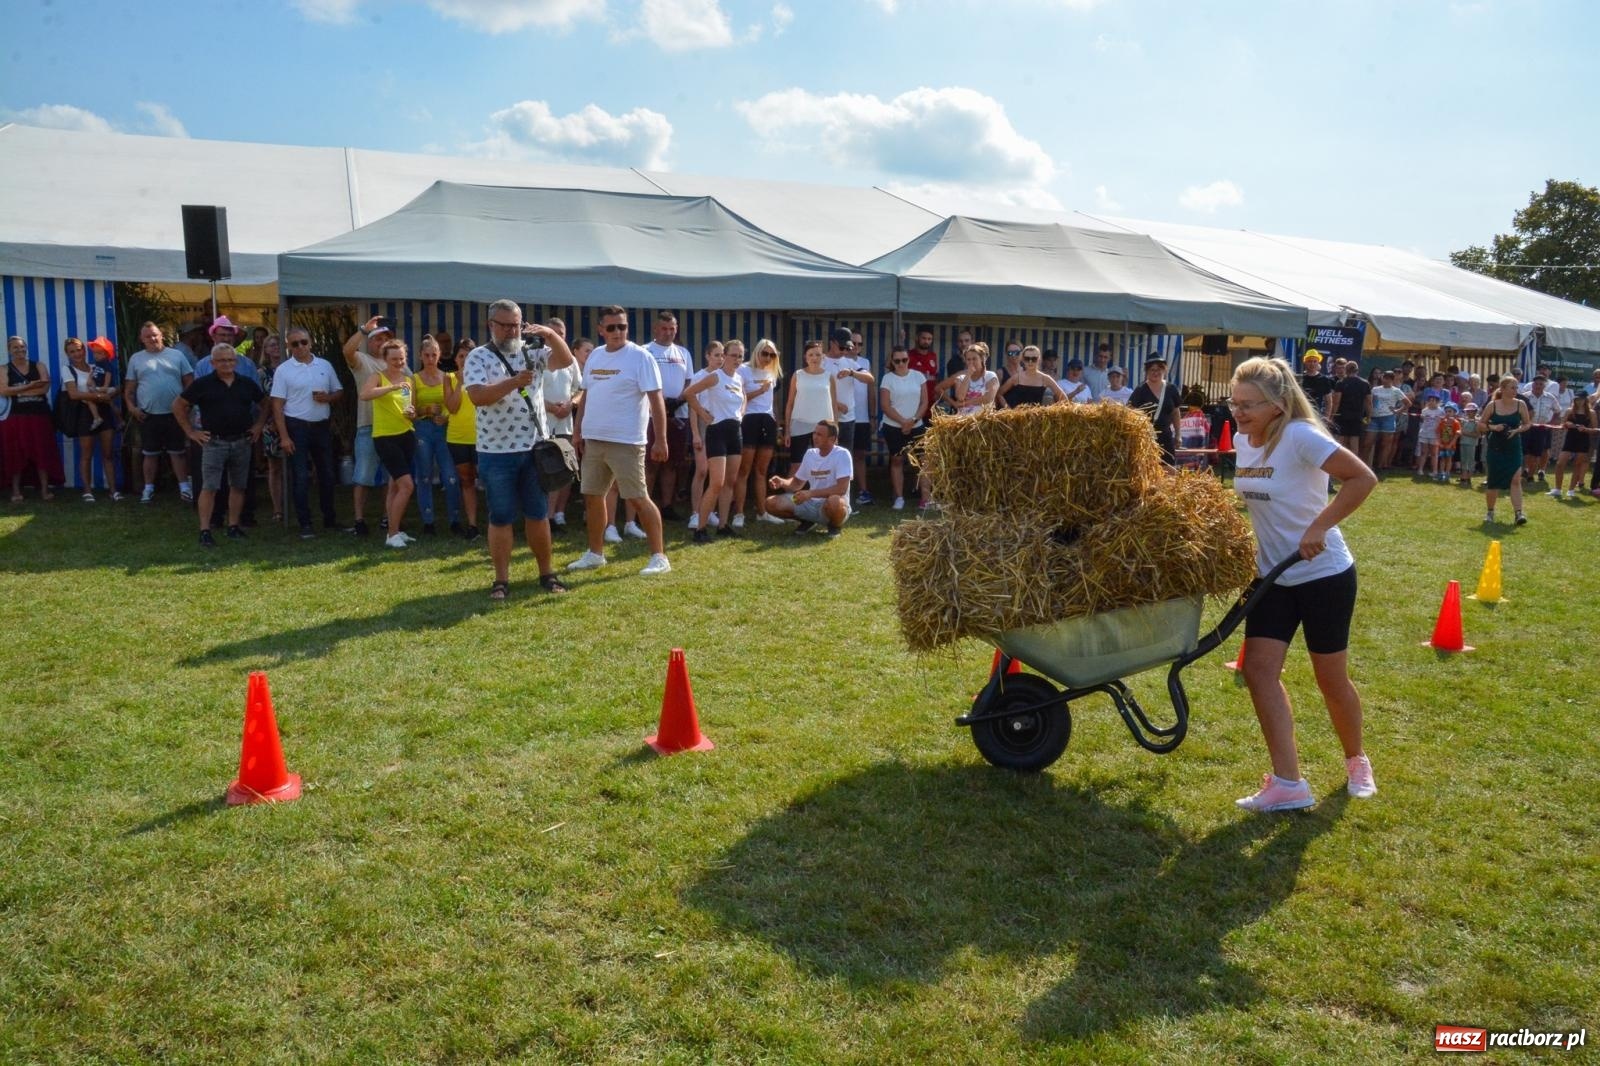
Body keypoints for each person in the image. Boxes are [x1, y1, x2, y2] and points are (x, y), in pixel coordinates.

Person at [1226, 357, 1377, 812]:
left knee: (1330, 678)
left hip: (1323, 575)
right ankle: (1289, 784)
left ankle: (1356, 760)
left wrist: (1320, 526)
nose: (1239, 412)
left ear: (1277, 405)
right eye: (1234, 403)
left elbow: (1362, 478)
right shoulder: (1241, 439)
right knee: (1258, 671)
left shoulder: (1300, 437)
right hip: (1273, 574)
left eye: (1249, 404)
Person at [464, 299, 579, 595]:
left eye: (516, 325)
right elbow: (477, 397)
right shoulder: (478, 357)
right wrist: (514, 382)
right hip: (495, 451)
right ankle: (501, 580)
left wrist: (551, 335)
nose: (511, 331)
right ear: (491, 325)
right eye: (504, 325)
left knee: (538, 514)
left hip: (533, 450)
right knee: (500, 516)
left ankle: (547, 574)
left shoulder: (533, 352)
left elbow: (566, 361)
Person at [567, 305, 671, 577]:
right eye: (611, 327)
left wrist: (661, 439)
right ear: (601, 329)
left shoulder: (640, 357)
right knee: (592, 496)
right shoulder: (596, 356)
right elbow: (586, 395)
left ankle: (659, 557)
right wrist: (578, 431)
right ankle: (595, 554)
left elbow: (656, 400)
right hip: (594, 439)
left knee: (638, 498)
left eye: (622, 326)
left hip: (627, 440)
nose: (617, 332)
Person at [173, 343, 268, 546]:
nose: (227, 364)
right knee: (209, 487)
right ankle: (205, 530)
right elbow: (179, 405)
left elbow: (265, 403)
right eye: (222, 360)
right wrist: (191, 431)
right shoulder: (203, 384)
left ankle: (233, 526)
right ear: (212, 362)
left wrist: (259, 425)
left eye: (231, 360)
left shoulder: (246, 383)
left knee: (238, 485)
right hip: (213, 442)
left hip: (242, 441)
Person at [271, 327, 344, 538]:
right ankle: (305, 523)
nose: (300, 347)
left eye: (303, 342)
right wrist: (284, 437)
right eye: (295, 344)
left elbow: (339, 391)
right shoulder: (284, 370)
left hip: (321, 426)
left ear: (310, 342)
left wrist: (328, 398)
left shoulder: (325, 365)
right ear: (289, 347)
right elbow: (277, 405)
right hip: (297, 426)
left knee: (328, 475)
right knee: (301, 477)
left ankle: (329, 519)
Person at [359, 338, 421, 549]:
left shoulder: (408, 380)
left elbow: (411, 410)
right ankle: (392, 533)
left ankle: (394, 530)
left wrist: (412, 413)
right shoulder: (378, 376)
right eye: (394, 359)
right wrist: (390, 388)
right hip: (385, 437)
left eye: (401, 358)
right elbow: (365, 395)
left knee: (395, 486)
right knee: (407, 485)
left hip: (406, 434)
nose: (398, 362)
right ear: (385, 359)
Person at [683, 339, 747, 542]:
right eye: (733, 355)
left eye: (740, 356)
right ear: (725, 355)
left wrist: (740, 415)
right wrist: (702, 414)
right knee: (716, 482)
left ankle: (723, 524)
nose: (737, 359)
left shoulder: (738, 378)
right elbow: (689, 393)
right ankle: (700, 528)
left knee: (730, 481)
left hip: (734, 431)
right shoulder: (714, 377)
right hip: (717, 431)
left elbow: (744, 398)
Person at [124, 322, 194, 503]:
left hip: (175, 414)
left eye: (155, 335)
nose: (152, 339)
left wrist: (187, 404)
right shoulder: (136, 359)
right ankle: (148, 488)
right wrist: (132, 408)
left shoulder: (177, 355)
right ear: (142, 339)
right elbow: (129, 389)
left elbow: (189, 381)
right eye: (148, 336)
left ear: (161, 335)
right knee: (149, 453)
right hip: (148, 414)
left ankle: (184, 488)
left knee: (177, 452)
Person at [342, 315, 393, 536]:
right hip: (368, 427)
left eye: (385, 339)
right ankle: (359, 521)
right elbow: (347, 352)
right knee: (362, 476)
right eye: (377, 339)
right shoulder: (362, 360)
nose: (381, 343)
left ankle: (387, 517)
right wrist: (363, 330)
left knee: (389, 477)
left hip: (392, 428)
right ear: (368, 342)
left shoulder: (397, 364)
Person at [409, 335, 462, 536]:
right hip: (422, 429)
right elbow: (411, 409)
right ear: (421, 356)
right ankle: (428, 521)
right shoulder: (414, 379)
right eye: (427, 355)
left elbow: (454, 405)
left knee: (450, 476)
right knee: (424, 476)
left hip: (443, 430)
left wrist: (446, 417)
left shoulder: (448, 377)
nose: (430, 358)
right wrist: (425, 410)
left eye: (434, 354)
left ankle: (455, 520)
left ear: (439, 355)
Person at [642, 310, 692, 520]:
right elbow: (642, 382)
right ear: (655, 329)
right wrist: (661, 404)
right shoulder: (645, 351)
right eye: (664, 328)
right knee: (651, 462)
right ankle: (645, 507)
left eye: (672, 329)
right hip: (652, 414)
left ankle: (667, 505)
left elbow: (689, 381)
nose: (668, 332)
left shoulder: (683, 353)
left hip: (678, 413)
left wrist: (678, 400)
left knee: (672, 463)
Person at [2, 335, 64, 501]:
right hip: (15, 417)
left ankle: (44, 490)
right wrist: (30, 385)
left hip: (39, 415)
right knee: (15, 454)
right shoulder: (4, 369)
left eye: (22, 347)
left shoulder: (39, 365)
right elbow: (4, 391)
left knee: (42, 452)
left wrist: (18, 390)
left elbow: (44, 388)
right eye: (15, 348)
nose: (20, 350)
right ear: (9, 350)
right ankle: (15, 491)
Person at [765, 420, 853, 536]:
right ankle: (807, 520)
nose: (815, 437)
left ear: (832, 439)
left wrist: (810, 493)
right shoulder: (810, 454)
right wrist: (782, 482)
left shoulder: (842, 454)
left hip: (831, 504)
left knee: (834, 501)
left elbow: (841, 489)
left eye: (820, 435)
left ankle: (834, 526)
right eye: (814, 433)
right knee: (770, 503)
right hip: (810, 503)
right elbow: (797, 483)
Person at [60, 337, 122, 501]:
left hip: (104, 411)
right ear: (67, 354)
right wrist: (99, 395)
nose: (76, 353)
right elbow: (73, 394)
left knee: (107, 453)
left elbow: (115, 387)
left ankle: (113, 490)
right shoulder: (67, 369)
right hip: (84, 414)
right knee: (86, 454)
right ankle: (87, 491)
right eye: (72, 351)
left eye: (79, 349)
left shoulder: (97, 367)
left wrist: (110, 392)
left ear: (85, 350)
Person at [733, 338, 784, 527]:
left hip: (767, 420)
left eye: (772, 355)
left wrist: (776, 422)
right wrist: (759, 391)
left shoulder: (772, 372)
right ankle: (739, 513)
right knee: (744, 470)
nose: (768, 358)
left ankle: (762, 511)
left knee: (762, 470)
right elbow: (738, 397)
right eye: (765, 353)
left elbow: (772, 401)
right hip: (749, 419)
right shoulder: (743, 370)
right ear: (757, 352)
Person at [878, 343, 931, 510]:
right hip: (893, 426)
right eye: (897, 361)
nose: (901, 363)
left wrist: (913, 420)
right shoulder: (887, 379)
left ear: (909, 359)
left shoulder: (918, 376)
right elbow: (885, 405)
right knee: (897, 460)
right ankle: (899, 498)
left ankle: (925, 499)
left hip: (916, 425)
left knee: (923, 462)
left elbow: (925, 402)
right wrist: (903, 422)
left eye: (904, 360)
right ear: (892, 362)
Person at [822, 328, 874, 493]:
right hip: (828, 419)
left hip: (848, 420)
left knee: (845, 460)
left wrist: (852, 373)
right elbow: (817, 389)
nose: (845, 351)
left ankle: (844, 499)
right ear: (833, 343)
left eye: (847, 348)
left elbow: (870, 379)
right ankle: (824, 495)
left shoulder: (850, 363)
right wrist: (836, 404)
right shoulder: (821, 361)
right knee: (825, 458)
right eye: (842, 348)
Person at [440, 338, 481, 540]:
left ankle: (496, 522)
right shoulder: (449, 378)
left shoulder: (484, 376)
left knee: (489, 480)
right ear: (455, 358)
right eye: (461, 356)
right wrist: (460, 383)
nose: (465, 360)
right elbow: (453, 407)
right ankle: (472, 524)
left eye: (469, 355)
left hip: (482, 437)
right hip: (457, 437)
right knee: (466, 481)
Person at [542, 332, 583, 529]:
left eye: (561, 334)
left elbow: (581, 389)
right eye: (553, 334)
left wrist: (571, 404)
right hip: (540, 425)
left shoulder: (571, 361)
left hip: (564, 424)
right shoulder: (535, 357)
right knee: (542, 471)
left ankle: (554, 516)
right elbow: (523, 391)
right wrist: (549, 407)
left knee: (562, 472)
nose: (557, 338)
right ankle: (540, 517)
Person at [683, 340, 722, 535]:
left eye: (722, 355)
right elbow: (692, 408)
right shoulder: (699, 376)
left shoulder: (725, 376)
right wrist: (696, 434)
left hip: (719, 426)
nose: (720, 359)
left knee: (717, 474)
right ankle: (695, 512)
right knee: (702, 470)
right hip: (702, 424)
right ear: (707, 356)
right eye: (716, 355)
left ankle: (711, 511)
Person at [1479, 376, 1530, 526]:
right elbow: (1481, 424)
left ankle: (1519, 514)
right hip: (1495, 448)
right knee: (1493, 482)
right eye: (1512, 387)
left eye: (1516, 387)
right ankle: (1490, 512)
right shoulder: (1492, 405)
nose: (1516, 390)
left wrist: (1517, 430)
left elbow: (1528, 424)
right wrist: (1493, 427)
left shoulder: (1521, 404)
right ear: (1503, 389)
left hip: (1513, 447)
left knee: (1515, 480)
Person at [783, 340, 838, 469]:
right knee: (797, 465)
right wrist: (787, 430)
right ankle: (793, 489)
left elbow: (834, 405)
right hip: (800, 424)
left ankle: (821, 490)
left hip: (823, 426)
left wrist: (835, 430)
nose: (814, 358)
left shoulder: (829, 376)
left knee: (823, 465)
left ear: (823, 357)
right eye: (811, 355)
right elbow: (790, 404)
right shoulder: (798, 375)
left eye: (818, 355)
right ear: (805, 357)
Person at [256, 333, 287, 522]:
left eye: (279, 345)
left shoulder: (293, 368)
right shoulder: (262, 373)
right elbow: (261, 400)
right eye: (272, 345)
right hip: (270, 423)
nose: (276, 348)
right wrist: (272, 421)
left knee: (292, 466)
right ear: (265, 350)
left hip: (293, 419)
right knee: (274, 466)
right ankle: (277, 508)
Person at [1128, 354, 1181, 464]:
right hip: (1145, 438)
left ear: (1164, 370)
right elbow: (1129, 411)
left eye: (1158, 369)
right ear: (1147, 371)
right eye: (1152, 370)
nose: (1155, 373)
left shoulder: (1171, 389)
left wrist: (1178, 434)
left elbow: (1175, 413)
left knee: (1168, 470)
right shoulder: (1140, 390)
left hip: (1166, 437)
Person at [1550, 391, 1595, 499]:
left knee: (1577, 465)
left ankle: (1571, 490)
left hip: (1583, 440)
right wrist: (1566, 424)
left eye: (1581, 399)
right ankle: (1557, 489)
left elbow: (1595, 429)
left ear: (1586, 400)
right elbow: (1562, 424)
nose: (1579, 401)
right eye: (1577, 399)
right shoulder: (1570, 410)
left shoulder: (1591, 413)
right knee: (1560, 463)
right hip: (1570, 439)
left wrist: (1585, 429)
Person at [847, 330, 875, 504]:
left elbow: (870, 391)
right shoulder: (838, 361)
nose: (856, 347)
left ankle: (863, 491)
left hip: (863, 416)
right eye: (853, 343)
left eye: (859, 344)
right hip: (844, 416)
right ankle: (844, 492)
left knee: (860, 455)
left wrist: (872, 416)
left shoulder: (865, 362)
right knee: (843, 454)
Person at [996, 345, 1066, 408]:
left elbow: (1063, 397)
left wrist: (1051, 411)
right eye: (1027, 358)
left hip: (1037, 419)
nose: (1030, 362)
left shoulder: (1045, 378)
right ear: (1023, 360)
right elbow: (999, 394)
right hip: (1018, 419)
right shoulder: (1016, 378)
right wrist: (1008, 411)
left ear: (1039, 360)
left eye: (1034, 359)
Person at [1327, 357, 1371, 456]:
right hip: (1357, 416)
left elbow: (1336, 402)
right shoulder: (1365, 383)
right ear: (1357, 370)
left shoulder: (1341, 383)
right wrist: (1369, 416)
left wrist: (1332, 416)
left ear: (1346, 370)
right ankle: (1354, 466)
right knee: (1354, 442)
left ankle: (1339, 465)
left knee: (1341, 442)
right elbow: (1368, 402)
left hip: (1342, 416)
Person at [1366, 369, 1408, 472]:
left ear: (1392, 380)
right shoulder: (1375, 389)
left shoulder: (1396, 391)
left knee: (1385, 444)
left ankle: (1380, 466)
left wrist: (1398, 410)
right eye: (1385, 378)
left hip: (1388, 418)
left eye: (1389, 379)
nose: (1386, 380)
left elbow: (1408, 403)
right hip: (1374, 418)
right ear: (1382, 377)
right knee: (1368, 442)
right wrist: (1369, 414)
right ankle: (1365, 464)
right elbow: (1369, 401)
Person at [1522, 376, 1560, 483]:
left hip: (1544, 428)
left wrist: (1551, 423)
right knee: (1527, 451)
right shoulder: (1525, 397)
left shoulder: (1550, 397)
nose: (1538, 386)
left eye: (1541, 384)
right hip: (1528, 427)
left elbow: (1557, 411)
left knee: (1543, 450)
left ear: (1544, 386)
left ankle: (1541, 470)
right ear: (1532, 384)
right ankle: (1528, 471)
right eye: (1536, 384)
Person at [950, 343, 998, 414]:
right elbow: (960, 397)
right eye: (968, 359)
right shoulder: (960, 378)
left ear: (981, 359)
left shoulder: (990, 376)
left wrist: (966, 403)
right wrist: (968, 374)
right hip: (963, 420)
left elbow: (988, 398)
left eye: (974, 359)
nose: (971, 362)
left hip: (983, 420)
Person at [906, 327, 941, 414]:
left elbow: (935, 376)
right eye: (924, 338)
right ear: (917, 338)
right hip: (914, 403)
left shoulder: (933, 356)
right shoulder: (908, 355)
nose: (926, 341)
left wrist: (936, 395)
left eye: (929, 339)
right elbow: (889, 364)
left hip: (931, 403)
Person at [1414, 392, 1445, 479]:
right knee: (1424, 452)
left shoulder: (1441, 411)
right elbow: (1423, 419)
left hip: (1435, 434)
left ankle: (1434, 471)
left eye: (1434, 401)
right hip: (1424, 433)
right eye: (1430, 400)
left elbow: (1442, 422)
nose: (1431, 402)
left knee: (1434, 453)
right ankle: (1420, 469)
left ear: (1438, 402)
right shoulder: (1424, 410)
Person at [1298, 350, 1334, 420]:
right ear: (1305, 362)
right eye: (1310, 361)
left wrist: (1326, 418)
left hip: (1317, 417)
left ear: (1318, 363)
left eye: (1315, 361)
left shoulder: (1324, 379)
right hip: (1301, 416)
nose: (1312, 364)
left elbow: (1329, 402)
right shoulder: (1300, 378)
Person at [1456, 401, 1482, 486]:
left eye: (1471, 411)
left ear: (1475, 411)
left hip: (1471, 444)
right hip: (1463, 442)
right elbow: (1461, 430)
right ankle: (1463, 477)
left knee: (1470, 461)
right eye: (1467, 411)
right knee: (1463, 460)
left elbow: (1477, 435)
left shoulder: (1477, 422)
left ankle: (1468, 478)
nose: (1469, 412)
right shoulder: (1465, 420)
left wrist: (1464, 433)